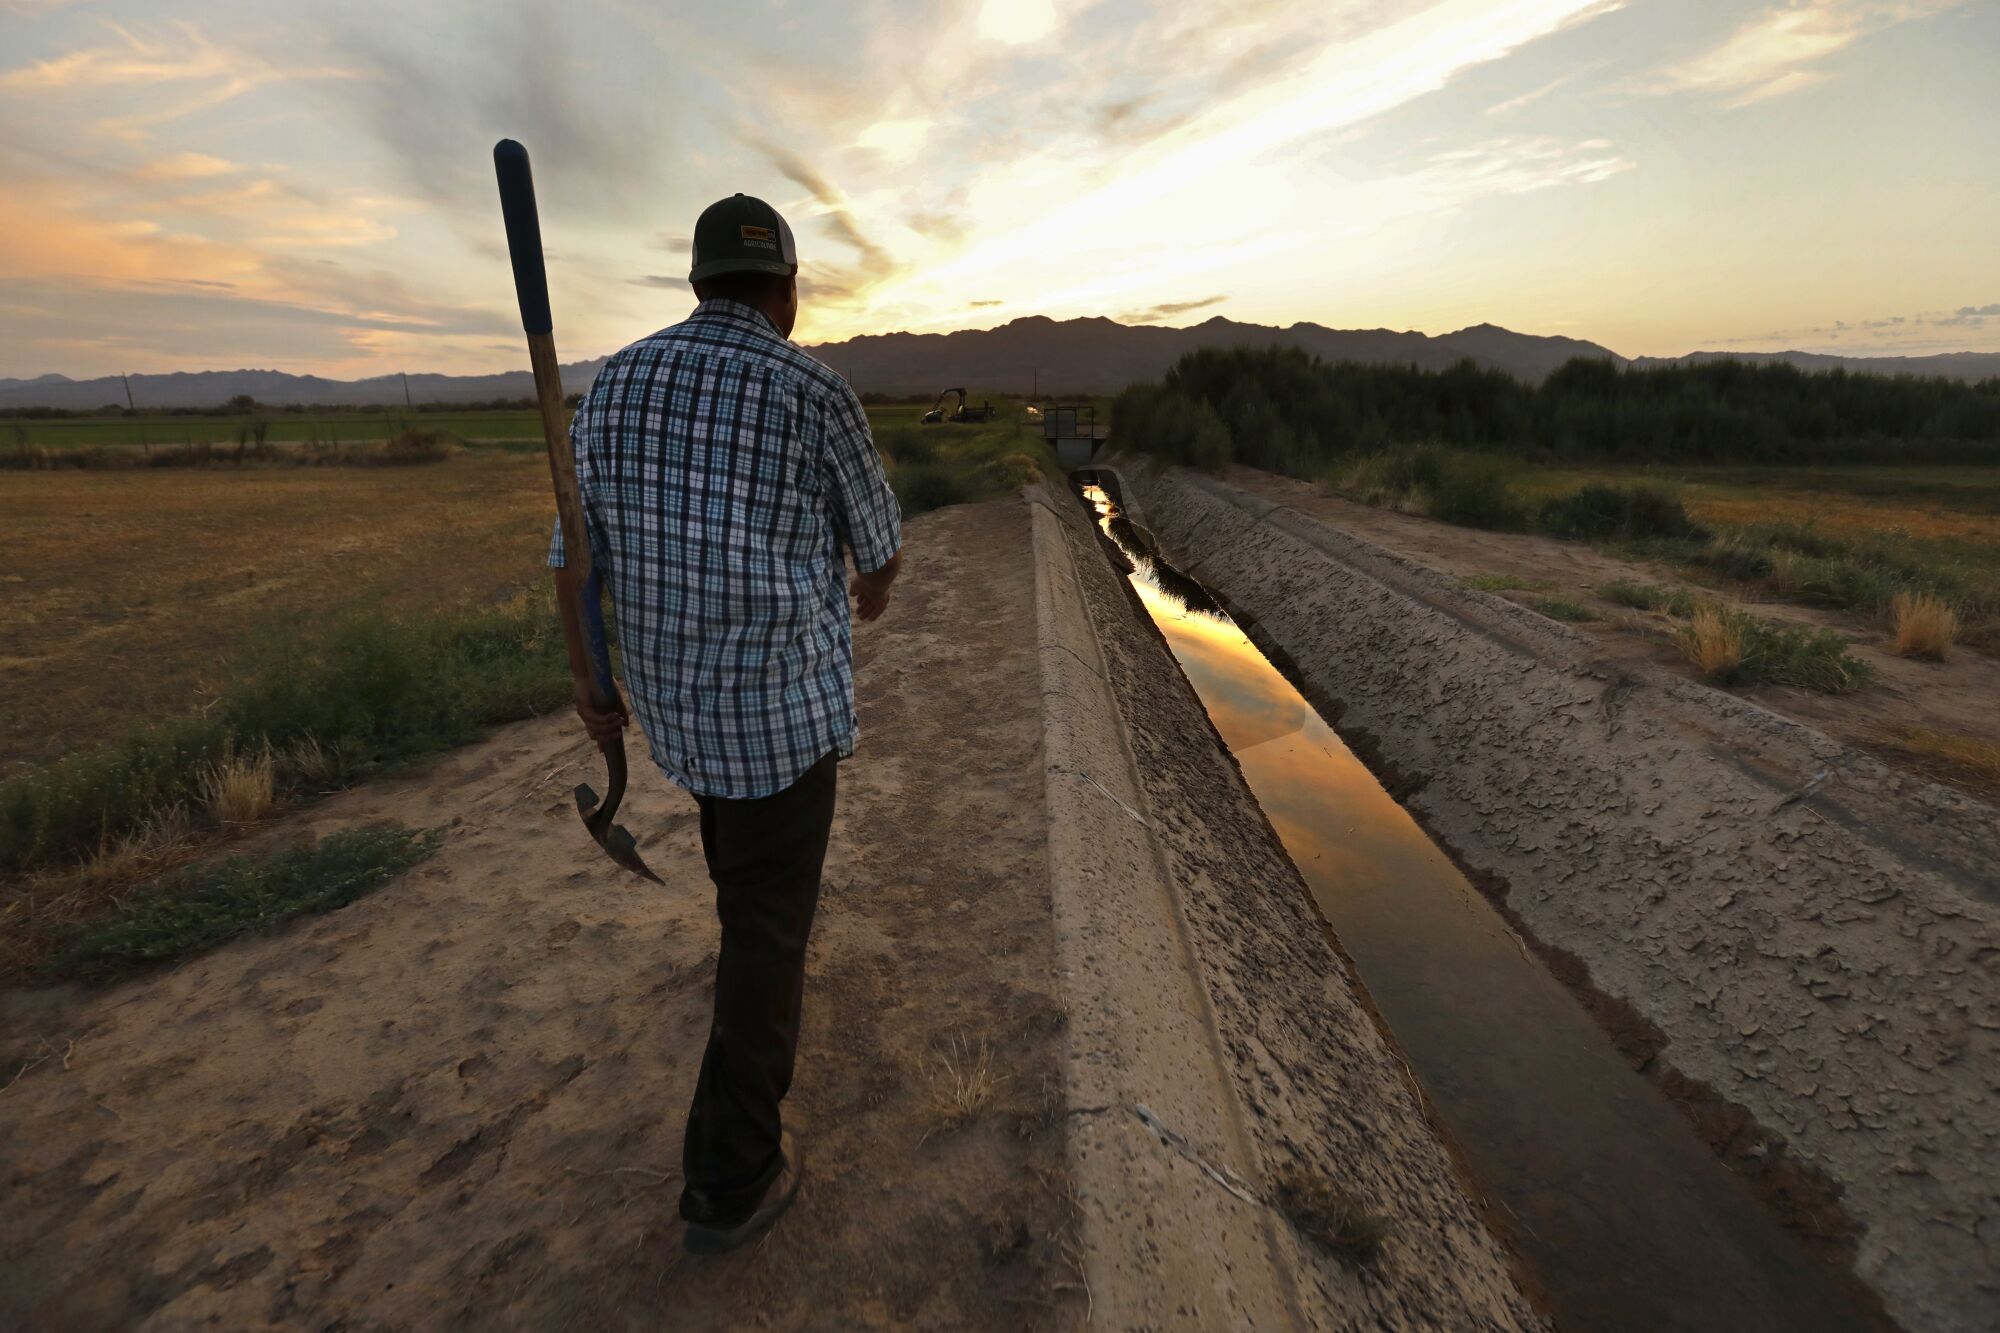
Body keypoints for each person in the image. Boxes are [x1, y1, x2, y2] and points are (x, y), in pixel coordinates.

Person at [548, 192, 902, 1255]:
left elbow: (576, 558)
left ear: (696, 283)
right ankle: (729, 1180)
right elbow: (878, 552)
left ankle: (741, 1063)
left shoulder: (613, 383)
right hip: (778, 722)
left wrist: (588, 683)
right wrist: (869, 583)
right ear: (786, 289)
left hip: (676, 715)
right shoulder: (811, 388)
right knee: (765, 931)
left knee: (741, 879)